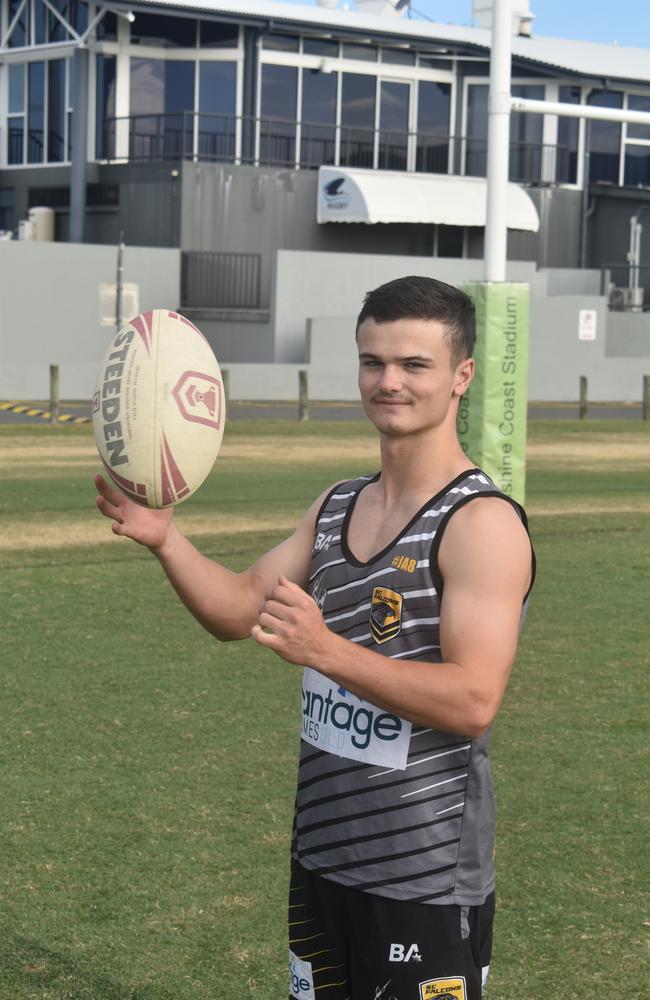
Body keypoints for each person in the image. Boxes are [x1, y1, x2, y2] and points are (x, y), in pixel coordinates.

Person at [95, 275, 535, 1000]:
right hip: (324, 859)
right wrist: (166, 541)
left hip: (420, 879)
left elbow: (473, 699)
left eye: (414, 365)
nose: (388, 381)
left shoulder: (480, 524)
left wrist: (325, 649)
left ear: (462, 376)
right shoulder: (336, 506)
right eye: (373, 362)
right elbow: (237, 608)